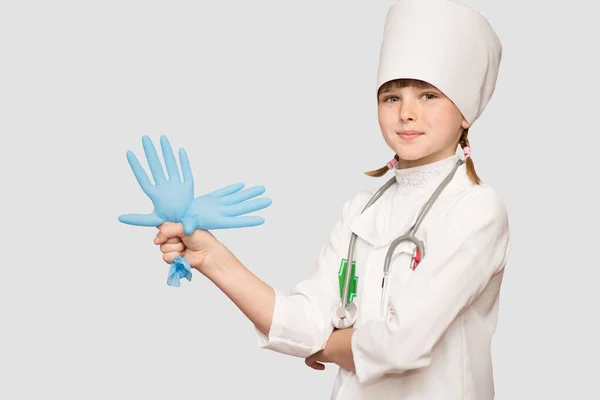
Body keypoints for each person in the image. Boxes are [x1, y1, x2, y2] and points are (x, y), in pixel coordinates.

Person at [153, 0, 510, 398]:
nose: (406, 113)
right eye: (392, 98)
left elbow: (402, 345)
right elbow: (305, 322)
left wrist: (326, 345)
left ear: (465, 112)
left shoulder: (477, 210)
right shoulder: (361, 209)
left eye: (428, 96)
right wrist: (212, 258)